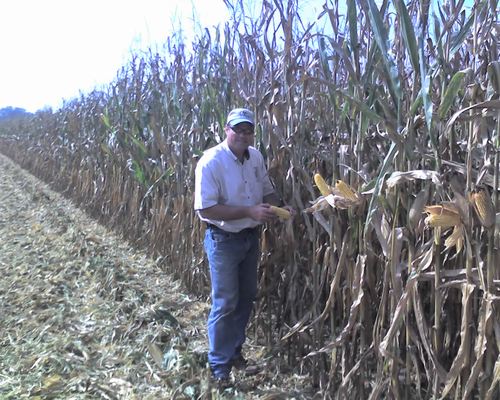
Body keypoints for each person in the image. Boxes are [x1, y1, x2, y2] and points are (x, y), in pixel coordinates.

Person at [194, 107, 294, 385]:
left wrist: (280, 206)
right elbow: (207, 210)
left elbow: (266, 188)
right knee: (225, 302)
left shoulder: (255, 157)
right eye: (237, 129)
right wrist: (249, 212)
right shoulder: (211, 162)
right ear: (225, 130)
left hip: (250, 239)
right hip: (224, 240)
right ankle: (218, 366)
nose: (243, 134)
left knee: (246, 297)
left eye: (248, 130)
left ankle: (234, 351)